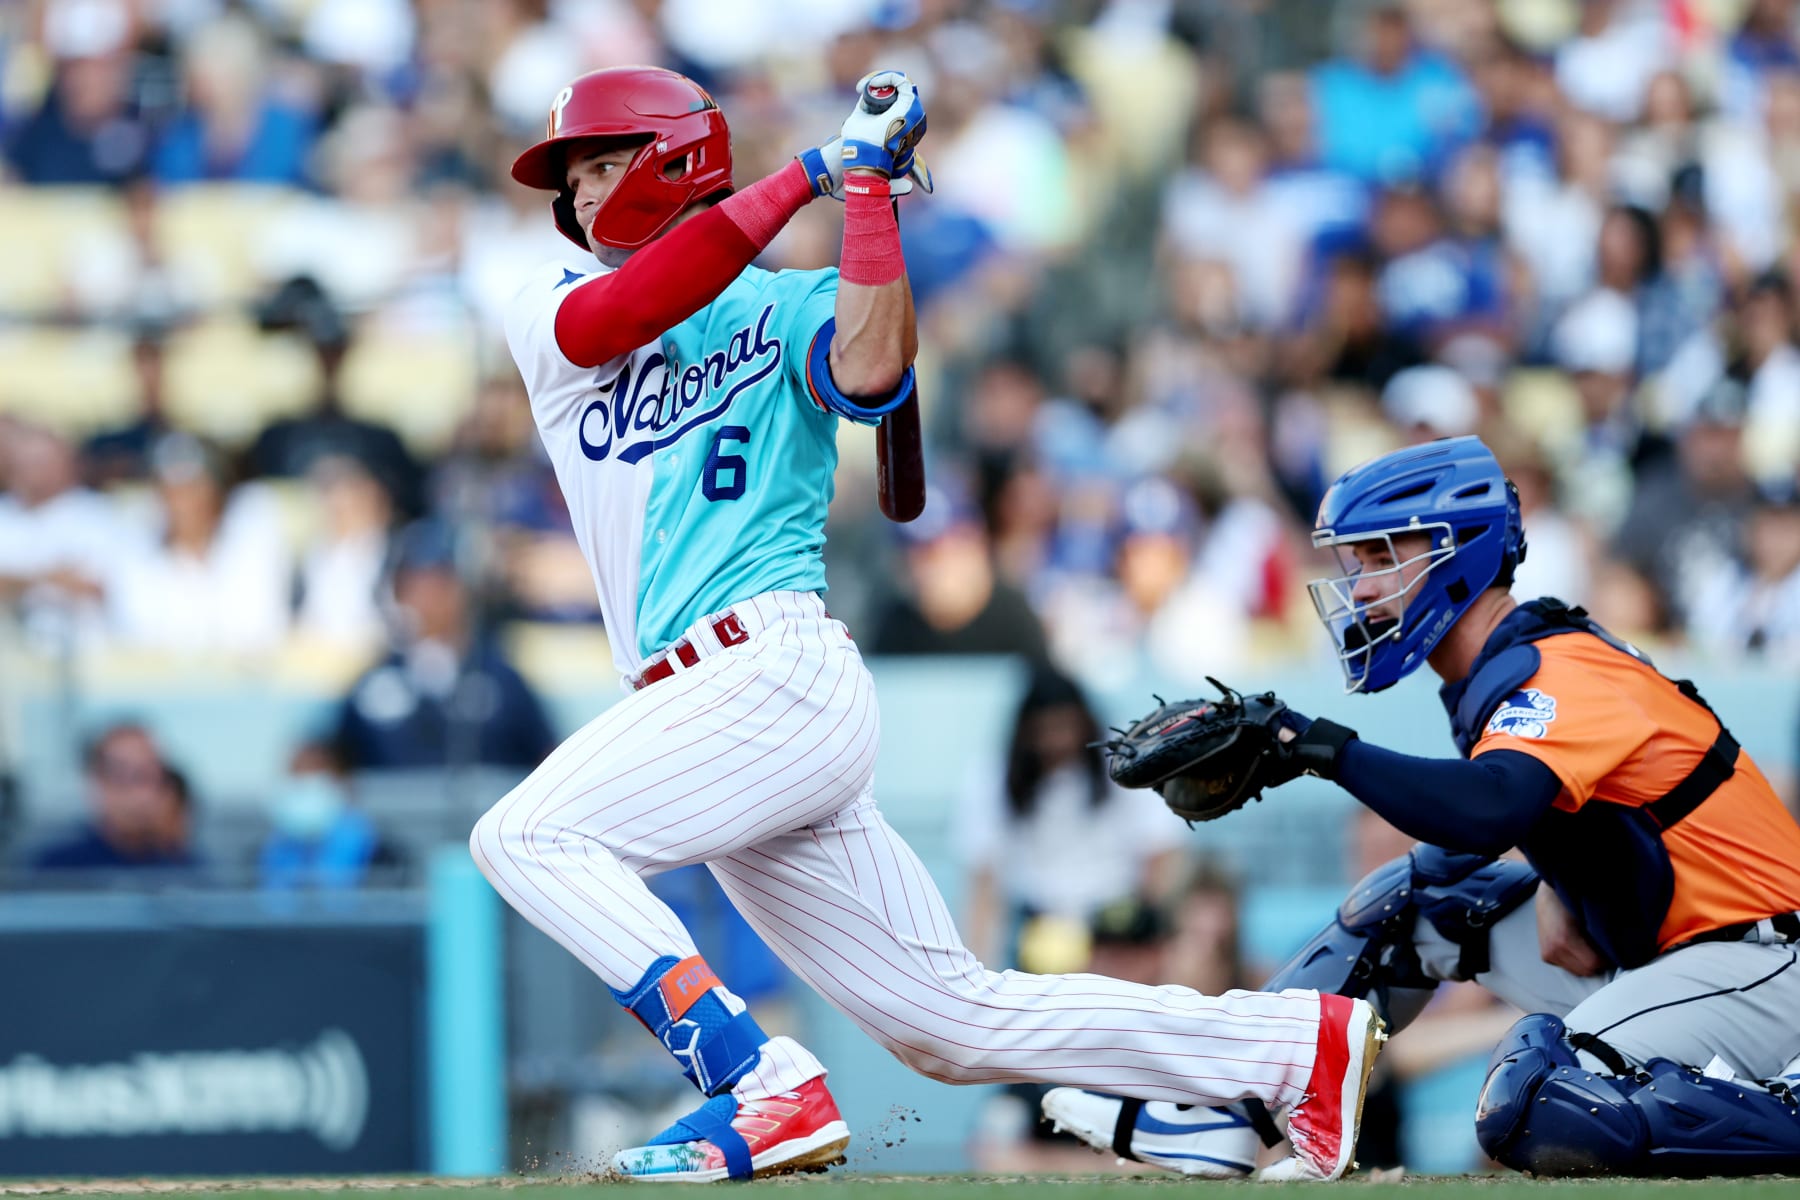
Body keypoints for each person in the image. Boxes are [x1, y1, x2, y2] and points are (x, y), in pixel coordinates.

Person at [470, 65, 1383, 1184]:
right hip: (700, 708)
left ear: (677, 159)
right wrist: (811, 171)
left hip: (769, 668)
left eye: (606, 159)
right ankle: (1295, 1046)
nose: (582, 190)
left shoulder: (794, 302)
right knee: (951, 1024)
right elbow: (623, 310)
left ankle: (756, 1087)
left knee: (526, 836)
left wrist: (863, 202)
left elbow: (872, 365)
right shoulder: (546, 300)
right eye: (576, 173)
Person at [1046, 435, 1800, 1177]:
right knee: (1418, 902)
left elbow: (1491, 807)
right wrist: (1567, 887)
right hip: (1679, 955)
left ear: (1461, 551)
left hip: (1764, 958)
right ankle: (1227, 1117)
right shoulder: (1502, 671)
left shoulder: (1560, 666)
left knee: (1542, 1099)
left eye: (1381, 557)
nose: (1362, 585)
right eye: (1357, 562)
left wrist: (1323, 748)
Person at [27, 723, 203, 877]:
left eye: (151, 774)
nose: (142, 792)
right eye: (128, 775)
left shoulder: (189, 870)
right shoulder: (55, 870)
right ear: (95, 782)